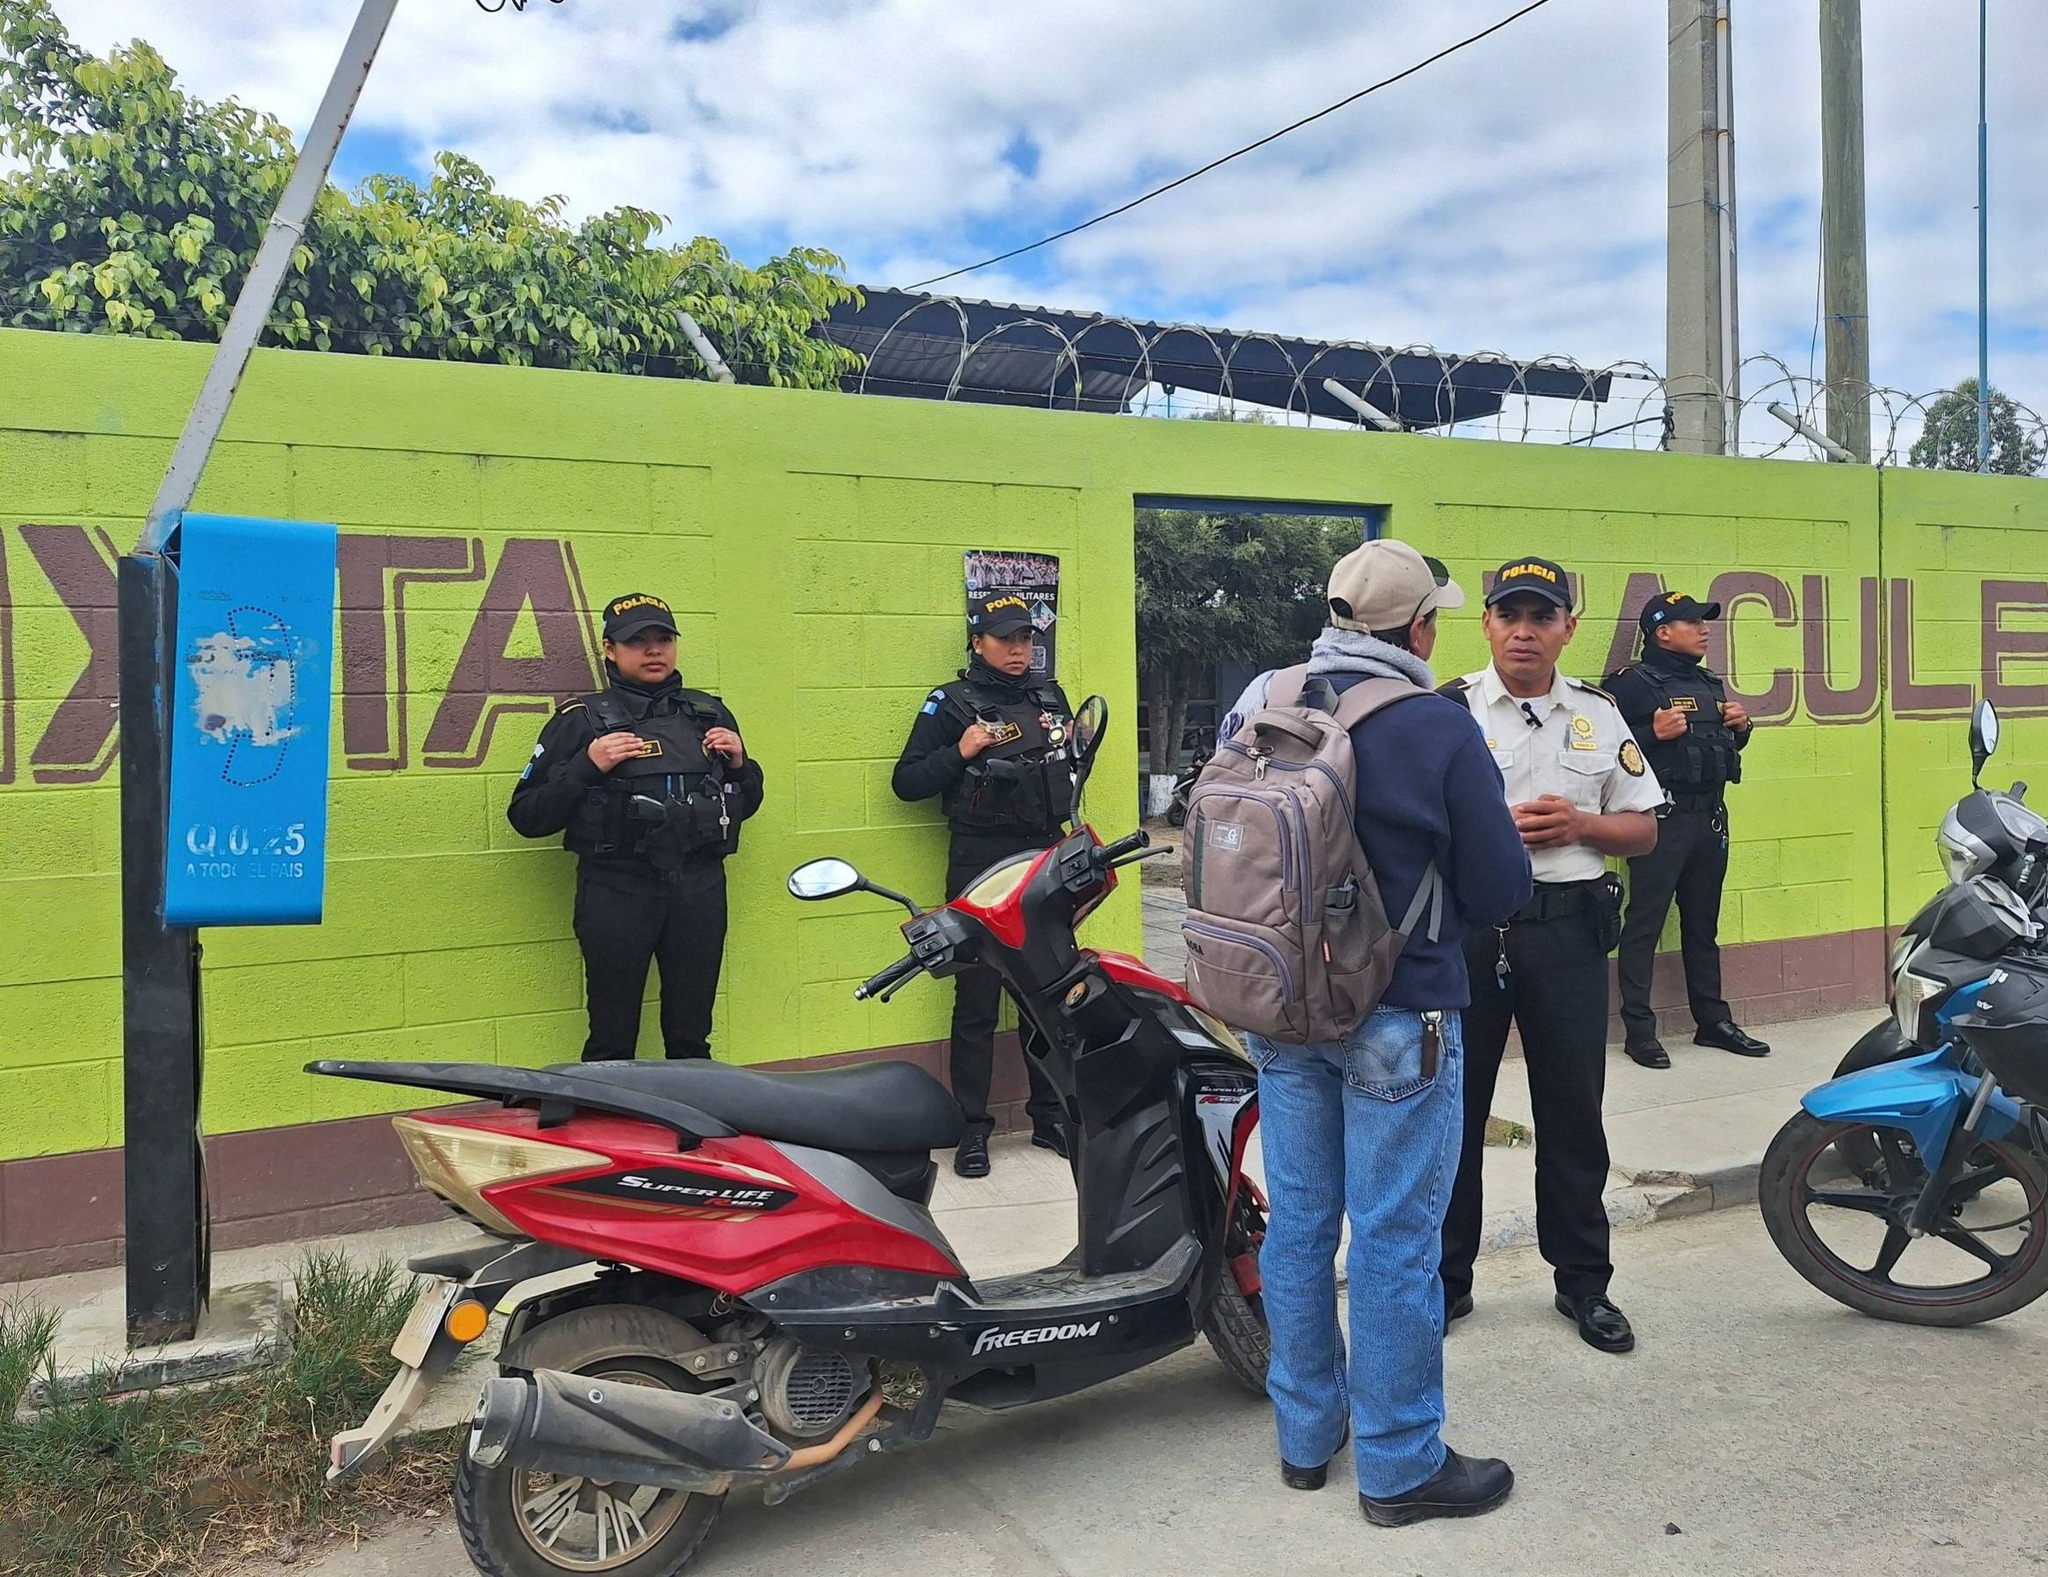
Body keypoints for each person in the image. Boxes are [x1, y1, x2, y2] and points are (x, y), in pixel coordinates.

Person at [1218, 539, 1531, 1526]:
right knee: (1393, 1237)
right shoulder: (1431, 723)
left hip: (1276, 1003)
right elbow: (1497, 886)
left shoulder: (1257, 699)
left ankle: (1305, 1438)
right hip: (1396, 1012)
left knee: (1301, 1223)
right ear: (1419, 626)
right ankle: (1399, 1466)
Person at [1438, 557, 1663, 1356]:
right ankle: (1445, 1281)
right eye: (1510, 614)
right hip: (1470, 939)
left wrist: (1580, 826)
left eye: (1542, 616)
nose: (1524, 630)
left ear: (1568, 627)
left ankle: (1584, 1283)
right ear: (1488, 624)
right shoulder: (1448, 710)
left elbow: (1644, 828)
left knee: (1573, 1113)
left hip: (1567, 933)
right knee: (1452, 1117)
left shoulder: (1600, 716)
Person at [507, 592, 763, 1062]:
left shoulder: (707, 713)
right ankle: (607, 1133)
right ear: (610, 650)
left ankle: (693, 1135)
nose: (653, 650)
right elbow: (527, 817)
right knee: (611, 1036)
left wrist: (743, 765)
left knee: (691, 1037)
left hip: (699, 890)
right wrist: (586, 764)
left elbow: (745, 804)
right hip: (617, 890)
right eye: (637, 641)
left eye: (663, 639)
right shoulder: (581, 721)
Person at [892, 593, 1074, 1177]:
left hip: (1042, 852)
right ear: (978, 642)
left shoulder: (1049, 696)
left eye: (1026, 638)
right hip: (979, 857)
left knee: (1045, 992)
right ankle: (973, 1129)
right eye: (1005, 639)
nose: (1019, 649)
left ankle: (1049, 1117)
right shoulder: (949, 704)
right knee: (975, 997)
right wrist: (960, 750)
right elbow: (907, 782)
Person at [1605, 593, 1769, 1068]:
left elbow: (1714, 746)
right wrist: (1651, 732)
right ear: (1662, 632)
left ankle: (1712, 1021)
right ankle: (1639, 1030)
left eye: (1704, 622)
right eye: (1693, 622)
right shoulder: (1631, 684)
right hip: (1661, 819)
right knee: (1645, 925)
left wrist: (1742, 727)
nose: (1705, 629)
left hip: (1709, 818)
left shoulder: (1707, 682)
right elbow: (1600, 751)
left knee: (1702, 926)